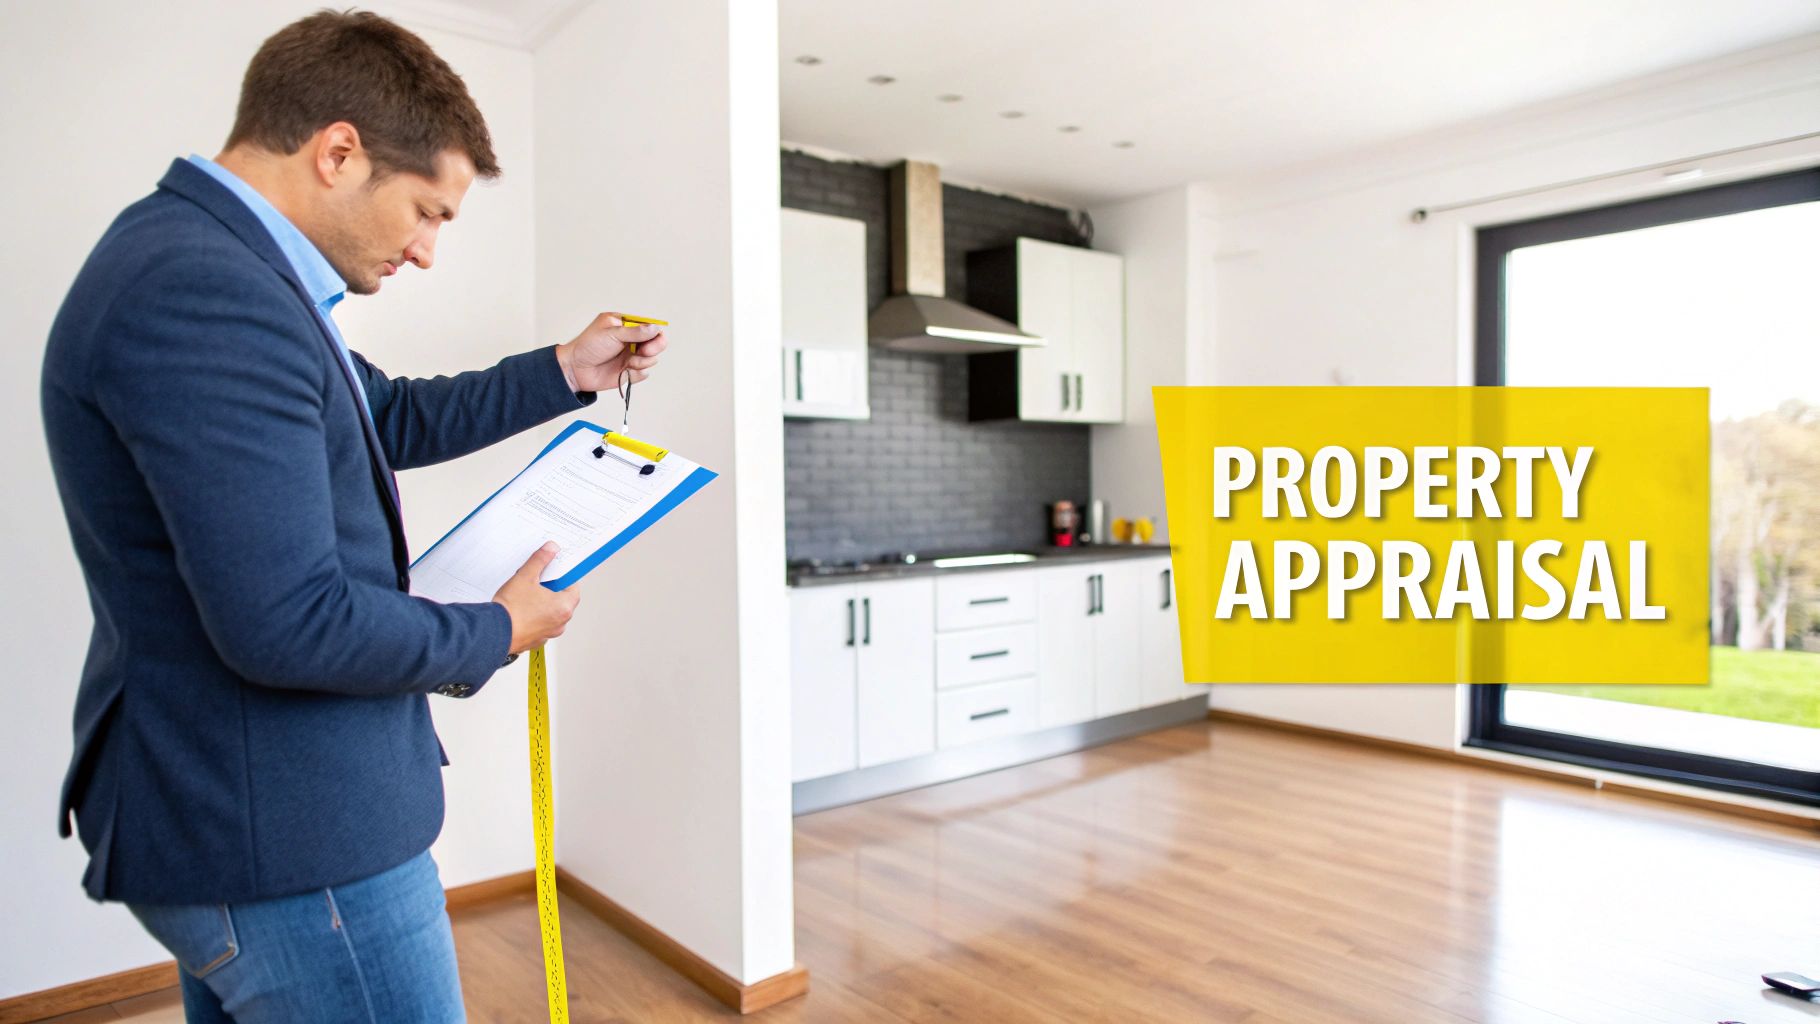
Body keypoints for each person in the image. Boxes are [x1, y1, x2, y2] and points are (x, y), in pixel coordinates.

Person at [38, 10, 666, 1021]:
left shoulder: (223, 268)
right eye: (428, 211)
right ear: (338, 152)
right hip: (287, 842)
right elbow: (286, 621)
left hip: (251, 824)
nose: (425, 253)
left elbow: (385, 413)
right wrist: (497, 628)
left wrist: (564, 371)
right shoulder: (208, 292)